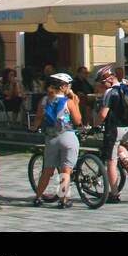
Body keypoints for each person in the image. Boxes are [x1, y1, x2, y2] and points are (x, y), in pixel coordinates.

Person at [30, 73, 81, 208]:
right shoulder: (69, 102)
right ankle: (63, 200)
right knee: (66, 170)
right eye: (69, 86)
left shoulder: (44, 101)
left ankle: (38, 197)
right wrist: (76, 103)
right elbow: (78, 120)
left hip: (51, 138)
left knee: (47, 170)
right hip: (68, 137)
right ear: (64, 87)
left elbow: (38, 118)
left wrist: (34, 128)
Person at [93, 65, 128, 203]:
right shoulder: (127, 87)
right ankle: (127, 161)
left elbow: (103, 114)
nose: (102, 86)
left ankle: (115, 194)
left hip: (115, 129)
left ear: (108, 80)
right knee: (119, 146)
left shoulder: (110, 93)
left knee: (111, 162)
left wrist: (94, 125)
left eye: (102, 83)